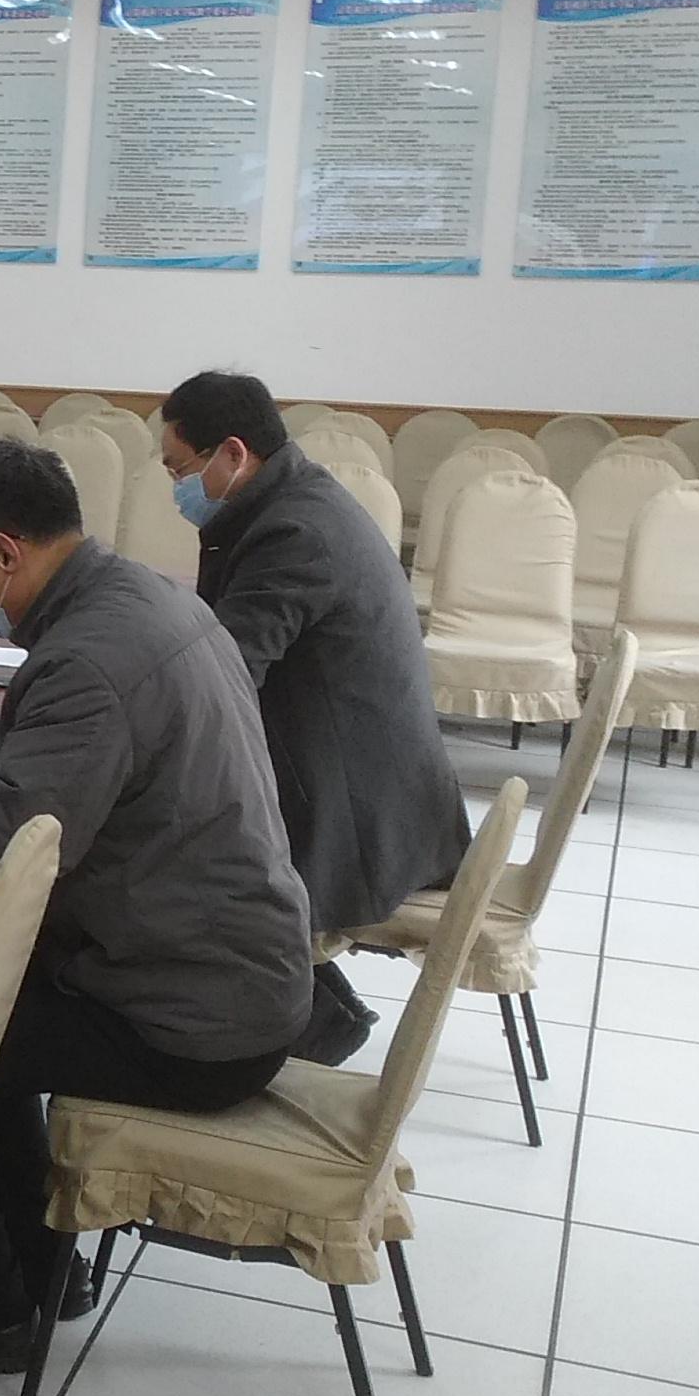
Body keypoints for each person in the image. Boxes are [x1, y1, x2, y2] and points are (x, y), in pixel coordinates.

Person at [0, 440, 316, 1372]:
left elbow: (18, 834)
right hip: (233, 974)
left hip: (192, 1022)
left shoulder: (85, 654)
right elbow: (78, 765)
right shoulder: (143, 598)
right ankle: (47, 1276)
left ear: (5, 550)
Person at [160, 372, 469, 1066]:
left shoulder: (293, 531)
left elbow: (227, 674)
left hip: (358, 817)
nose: (175, 487)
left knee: (164, 851)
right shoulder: (290, 500)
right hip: (362, 778)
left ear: (233, 453)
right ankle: (309, 1005)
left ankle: (293, 1023)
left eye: (179, 469)